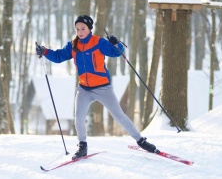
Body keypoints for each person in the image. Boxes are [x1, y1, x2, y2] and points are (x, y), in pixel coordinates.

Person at [36, 15, 158, 160]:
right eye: (77, 29)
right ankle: (82, 146)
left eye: (83, 28)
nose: (80, 32)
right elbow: (58, 56)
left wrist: (116, 43)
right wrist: (45, 51)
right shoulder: (73, 45)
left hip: (103, 88)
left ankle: (141, 141)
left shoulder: (99, 42)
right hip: (84, 89)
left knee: (119, 116)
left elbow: (116, 53)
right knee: (79, 118)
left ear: (89, 29)